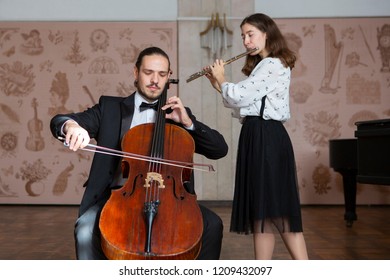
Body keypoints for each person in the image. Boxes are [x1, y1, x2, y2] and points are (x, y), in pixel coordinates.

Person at [50, 46, 228, 260]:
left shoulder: (178, 114)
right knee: (86, 230)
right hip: (115, 199)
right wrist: (72, 127)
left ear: (169, 77)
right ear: (136, 72)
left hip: (171, 202)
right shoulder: (110, 108)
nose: (155, 80)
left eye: (162, 74)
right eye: (148, 72)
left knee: (213, 225)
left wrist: (189, 123)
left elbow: (219, 149)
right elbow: (60, 120)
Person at [204, 13, 308, 260]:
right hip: (258, 135)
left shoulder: (272, 64)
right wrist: (219, 86)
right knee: (263, 212)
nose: (246, 41)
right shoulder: (264, 66)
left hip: (266, 138)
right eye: (243, 36)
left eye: (250, 34)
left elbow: (239, 96)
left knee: (275, 211)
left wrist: (223, 80)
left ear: (267, 33)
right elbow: (245, 106)